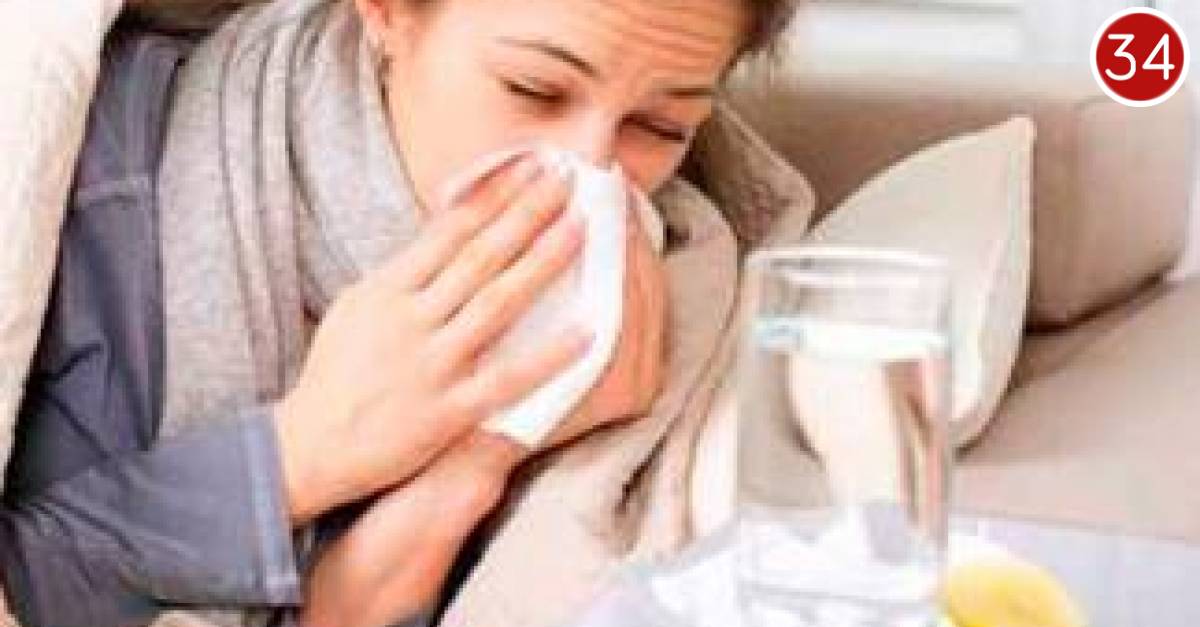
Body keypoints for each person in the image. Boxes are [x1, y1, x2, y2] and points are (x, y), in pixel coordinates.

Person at [0, 0, 797, 625]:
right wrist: (297, 455)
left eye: (660, 127)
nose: (587, 166)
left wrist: (474, 462)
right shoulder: (92, 172)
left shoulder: (674, 293)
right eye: (534, 89)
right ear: (385, 11)